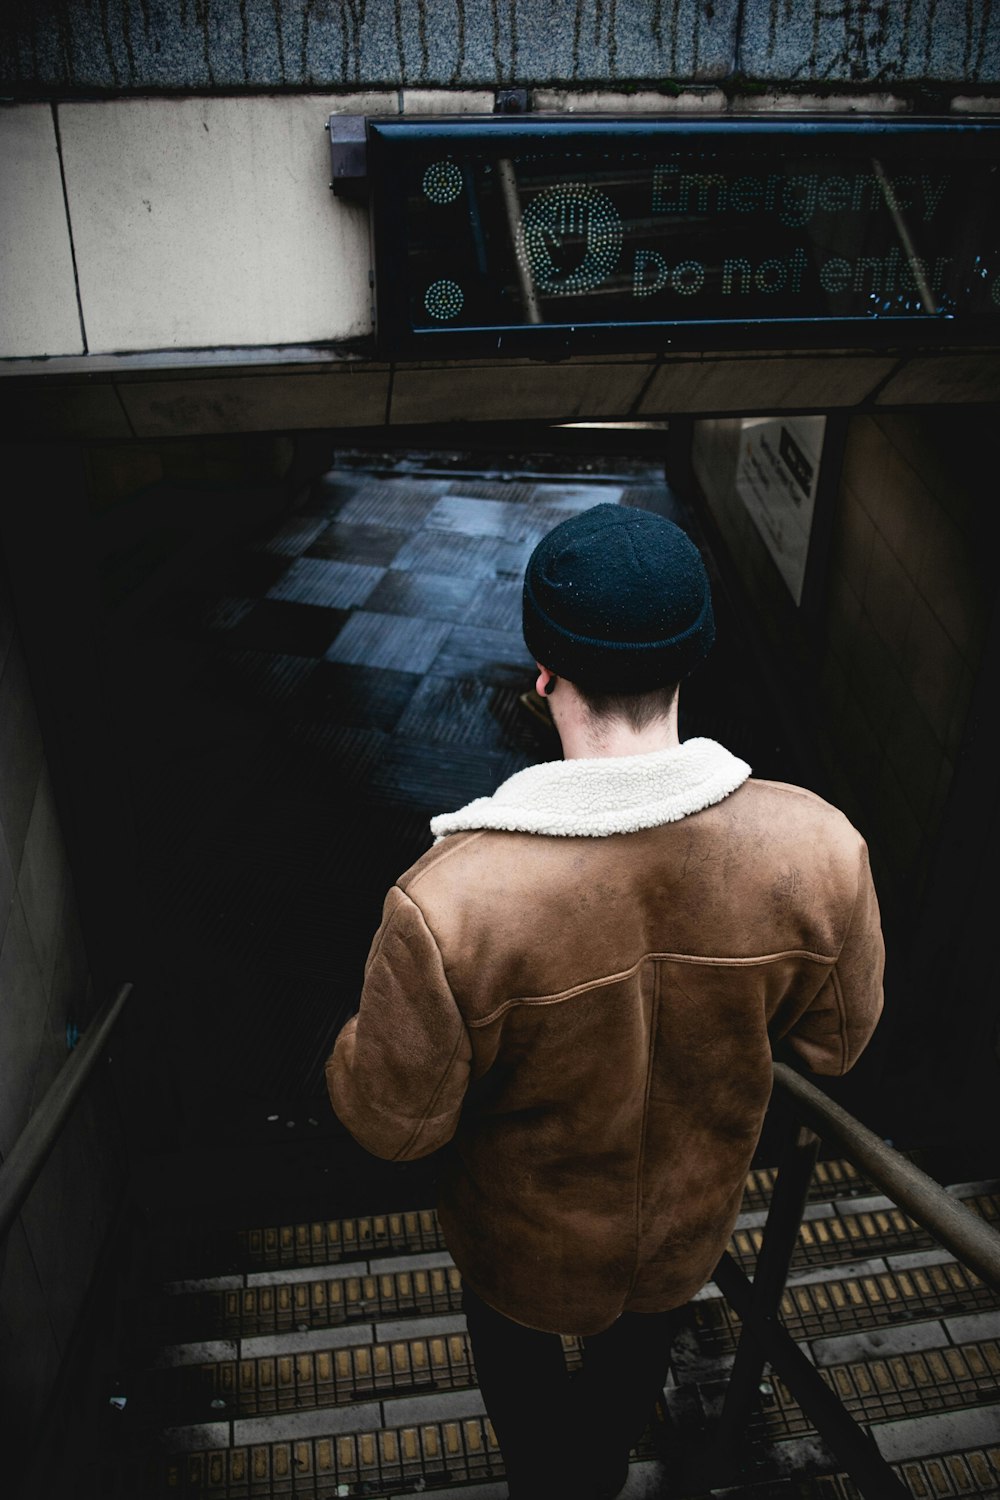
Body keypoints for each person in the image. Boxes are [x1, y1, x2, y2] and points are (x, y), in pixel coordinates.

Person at [326, 502, 884, 1500]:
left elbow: (393, 1125)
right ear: (694, 657)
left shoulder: (449, 900)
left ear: (543, 673)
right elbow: (833, 1048)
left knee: (525, 1396)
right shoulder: (819, 848)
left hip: (517, 1246)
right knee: (632, 1370)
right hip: (683, 1230)